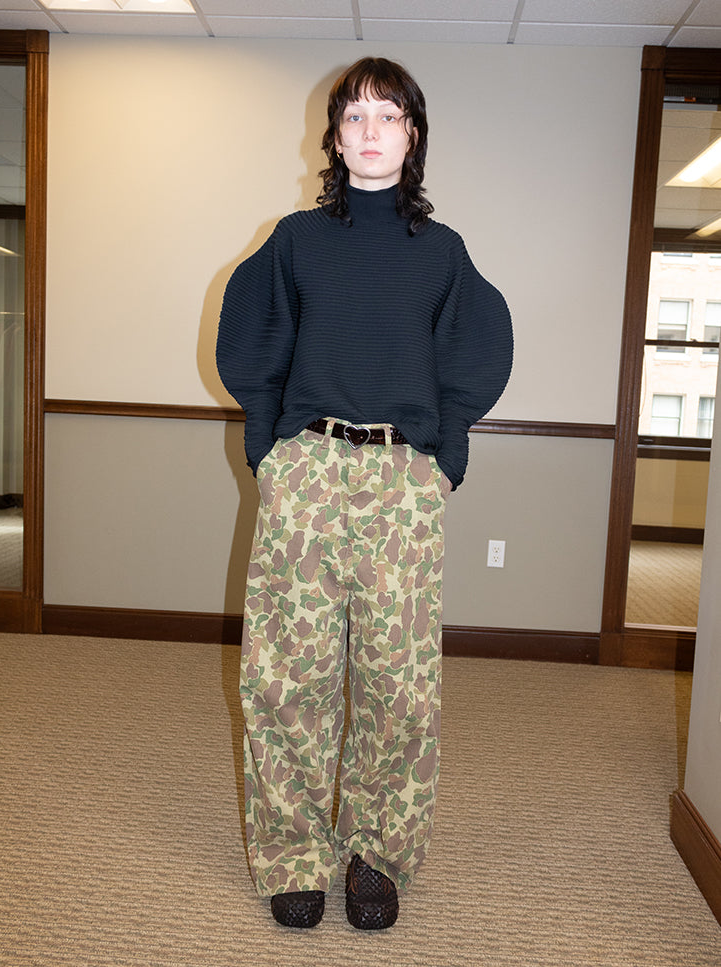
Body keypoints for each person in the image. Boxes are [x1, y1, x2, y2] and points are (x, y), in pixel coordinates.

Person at [216, 56, 512, 931]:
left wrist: (445, 455)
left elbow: (475, 352)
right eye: (354, 116)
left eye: (388, 115)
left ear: (412, 136)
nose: (371, 130)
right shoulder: (295, 241)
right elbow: (251, 341)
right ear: (335, 137)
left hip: (401, 479)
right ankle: (294, 854)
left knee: (398, 685)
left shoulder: (441, 253)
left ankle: (376, 855)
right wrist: (267, 449)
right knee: (287, 676)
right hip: (307, 470)